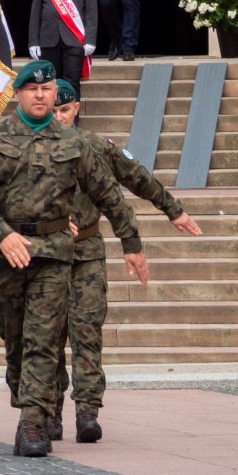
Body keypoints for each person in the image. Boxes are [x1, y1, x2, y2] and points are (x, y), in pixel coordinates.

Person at [0, 59, 140, 458]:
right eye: (32, 89)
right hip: (6, 253)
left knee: (42, 339)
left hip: (55, 253)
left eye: (47, 89)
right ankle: (28, 398)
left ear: (56, 95)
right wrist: (1, 232)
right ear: (19, 95)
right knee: (16, 339)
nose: (40, 95)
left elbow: (108, 192)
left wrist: (131, 242)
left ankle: (33, 423)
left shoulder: (73, 143)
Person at [48, 79, 200, 443]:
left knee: (86, 333)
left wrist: (172, 210)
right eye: (52, 111)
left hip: (85, 254)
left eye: (64, 111)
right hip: (43, 257)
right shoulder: (24, 149)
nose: (58, 118)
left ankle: (87, 411)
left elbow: (137, 178)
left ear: (77, 110)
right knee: (46, 337)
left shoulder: (95, 146)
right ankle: (48, 410)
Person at [28, 0, 96, 102]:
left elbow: (91, 11)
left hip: (74, 39)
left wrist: (90, 39)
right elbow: (36, 11)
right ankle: (52, 124)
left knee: (72, 83)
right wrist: (33, 41)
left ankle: (71, 124)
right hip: (48, 39)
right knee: (49, 84)